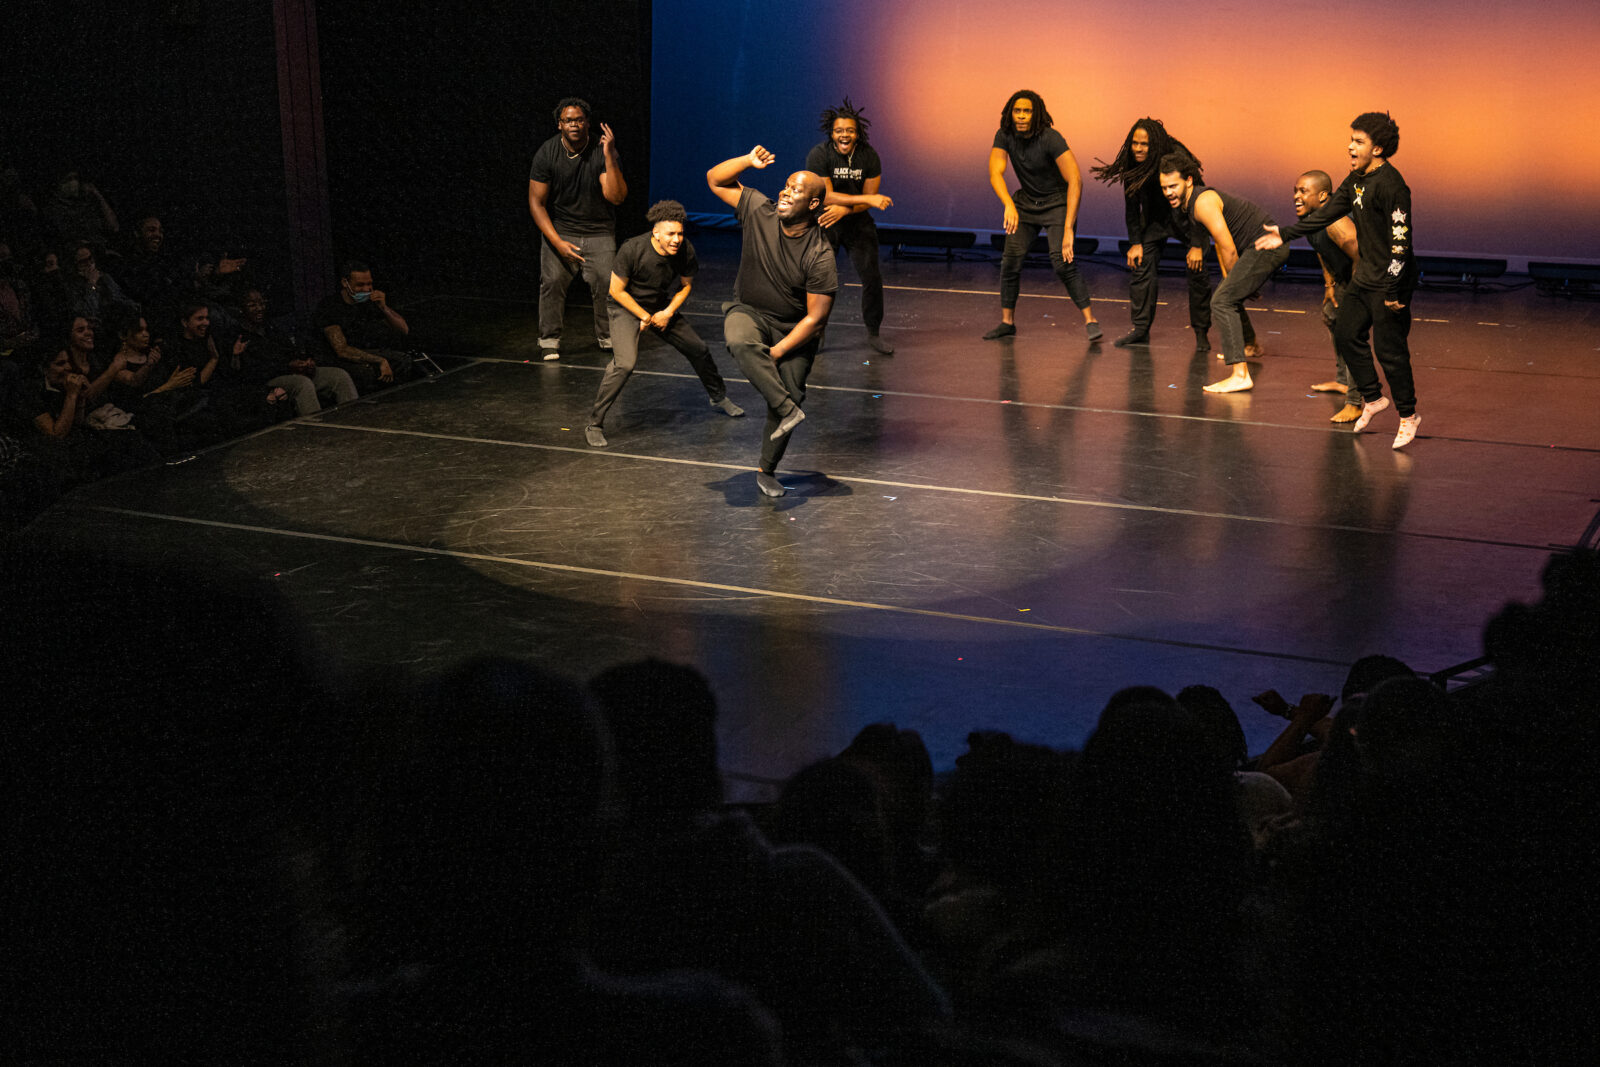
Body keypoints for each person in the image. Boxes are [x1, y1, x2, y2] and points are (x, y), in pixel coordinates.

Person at [1258, 112, 1420, 449]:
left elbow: (1402, 242)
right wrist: (1284, 235)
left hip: (1390, 279)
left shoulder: (1392, 185)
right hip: (1365, 279)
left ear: (1377, 149)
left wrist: (1393, 289)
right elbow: (1326, 214)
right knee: (1346, 333)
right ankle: (1373, 400)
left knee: (1390, 352)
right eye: (1352, 139)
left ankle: (1408, 416)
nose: (1350, 147)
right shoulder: (1356, 179)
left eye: (1358, 141)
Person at [706, 146, 837, 499]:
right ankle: (786, 410)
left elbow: (816, 317)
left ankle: (767, 469)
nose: (785, 192)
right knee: (739, 340)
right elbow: (715, 179)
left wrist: (776, 351)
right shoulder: (759, 209)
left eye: (796, 190)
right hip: (749, 311)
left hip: (794, 329)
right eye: (785, 186)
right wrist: (748, 162)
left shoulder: (819, 253)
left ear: (812, 205)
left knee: (793, 390)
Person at [585, 200, 742, 447]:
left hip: (659, 307)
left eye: (680, 233)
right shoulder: (633, 249)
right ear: (655, 233)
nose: (677, 239)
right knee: (625, 364)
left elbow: (686, 285)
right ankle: (594, 423)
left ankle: (718, 396)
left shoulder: (685, 250)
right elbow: (616, 291)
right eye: (671, 234)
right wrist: (645, 317)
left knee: (698, 349)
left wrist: (667, 312)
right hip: (625, 307)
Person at [1159, 153, 1289, 393]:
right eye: (1164, 187)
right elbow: (1220, 245)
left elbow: (1228, 247)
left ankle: (1240, 374)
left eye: (1173, 186)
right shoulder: (1192, 204)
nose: (1168, 192)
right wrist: (1234, 280)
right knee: (1228, 294)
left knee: (1221, 300)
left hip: (1266, 245)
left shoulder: (1202, 203)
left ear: (1188, 181)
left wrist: (1236, 281)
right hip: (1257, 247)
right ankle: (1250, 345)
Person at [983, 89, 1101, 342]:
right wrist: (1008, 205)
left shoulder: (1050, 138)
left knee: (1062, 261)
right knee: (1010, 260)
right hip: (1025, 203)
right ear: (1010, 114)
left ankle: (1090, 320)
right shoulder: (1004, 135)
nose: (1022, 116)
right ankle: (1007, 323)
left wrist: (1069, 227)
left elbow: (1076, 180)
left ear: (1036, 114)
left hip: (1057, 203)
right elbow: (995, 172)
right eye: (1018, 111)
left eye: (1027, 111)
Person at [1091, 118, 1214, 350]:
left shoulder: (1178, 158)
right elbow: (1131, 206)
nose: (1138, 148)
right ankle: (1140, 329)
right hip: (1156, 219)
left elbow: (1200, 200)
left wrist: (1197, 243)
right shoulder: (1132, 163)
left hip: (1187, 219)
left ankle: (1201, 333)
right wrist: (1135, 242)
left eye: (1144, 144)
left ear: (1155, 145)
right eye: (1135, 143)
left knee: (1198, 273)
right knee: (1141, 265)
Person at [528, 97, 626, 359]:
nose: (574, 124)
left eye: (579, 120)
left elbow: (616, 197)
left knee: (606, 283)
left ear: (587, 122)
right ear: (560, 125)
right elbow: (536, 204)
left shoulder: (601, 148)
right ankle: (549, 339)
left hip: (599, 230)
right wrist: (557, 242)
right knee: (552, 282)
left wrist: (608, 156)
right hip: (562, 230)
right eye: (568, 120)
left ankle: (607, 336)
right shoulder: (547, 153)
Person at [806, 98, 895, 355]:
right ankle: (815, 331)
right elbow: (827, 196)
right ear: (832, 133)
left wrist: (848, 208)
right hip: (826, 222)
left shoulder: (869, 156)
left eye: (850, 130)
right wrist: (865, 199)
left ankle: (874, 333)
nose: (844, 135)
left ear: (858, 133)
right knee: (821, 280)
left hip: (858, 224)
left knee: (872, 278)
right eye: (839, 131)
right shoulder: (819, 154)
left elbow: (868, 201)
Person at [1292, 170, 1370, 423]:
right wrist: (1330, 285)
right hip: (1347, 278)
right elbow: (1322, 252)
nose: (1296, 196)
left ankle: (1355, 403)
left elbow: (1361, 253)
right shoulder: (1313, 221)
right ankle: (1342, 381)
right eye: (1296, 190)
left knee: (1351, 334)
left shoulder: (1334, 222)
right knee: (1331, 316)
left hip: (1367, 279)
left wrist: (1356, 294)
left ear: (1323, 195)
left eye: (1303, 191)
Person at [238, 288, 358, 416]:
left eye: (262, 303)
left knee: (338, 376)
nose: (259, 308)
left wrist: (306, 361)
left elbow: (290, 350)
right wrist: (288, 366)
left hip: (291, 371)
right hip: (269, 379)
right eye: (252, 305)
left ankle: (354, 418)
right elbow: (255, 370)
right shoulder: (240, 335)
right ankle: (318, 431)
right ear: (242, 308)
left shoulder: (271, 328)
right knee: (302, 384)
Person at [314, 260, 413, 392]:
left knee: (402, 360)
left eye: (369, 284)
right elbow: (341, 350)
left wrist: (383, 308)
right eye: (360, 285)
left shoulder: (369, 302)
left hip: (366, 350)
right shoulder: (330, 306)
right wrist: (379, 360)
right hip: (336, 357)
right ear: (345, 283)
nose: (366, 289)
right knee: (365, 371)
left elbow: (403, 330)